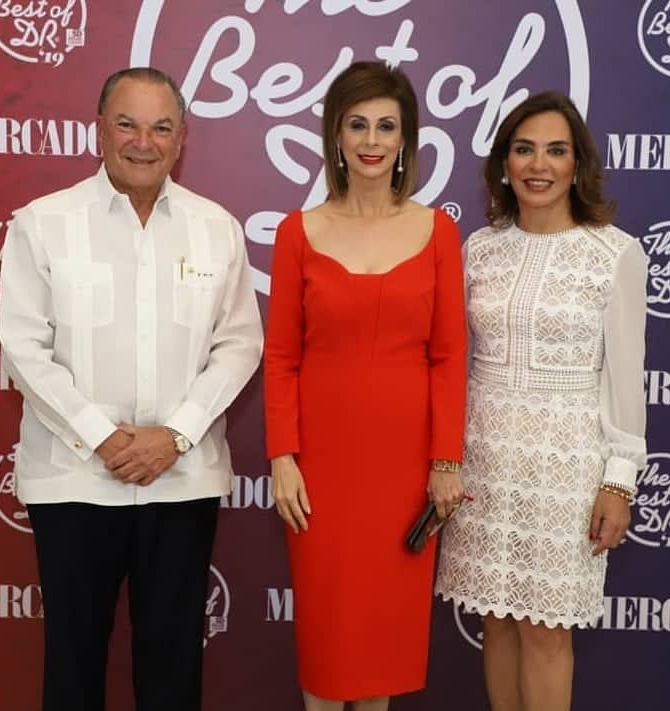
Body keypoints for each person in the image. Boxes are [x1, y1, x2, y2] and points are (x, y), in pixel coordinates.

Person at [0, 67, 263, 711]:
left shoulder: (216, 228)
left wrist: (175, 435)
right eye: (127, 124)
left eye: (161, 128)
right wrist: (104, 438)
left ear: (182, 138)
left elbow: (239, 343)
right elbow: (23, 349)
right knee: (74, 668)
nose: (144, 142)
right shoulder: (43, 223)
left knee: (173, 671)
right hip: (74, 480)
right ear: (99, 130)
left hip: (182, 478)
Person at [264, 61, 468, 711]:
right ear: (336, 134)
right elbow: (281, 357)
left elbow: (448, 357)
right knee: (328, 649)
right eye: (357, 125)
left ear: (406, 138)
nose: (371, 140)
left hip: (404, 469)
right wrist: (282, 457)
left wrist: (444, 461)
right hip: (320, 470)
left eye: (386, 125)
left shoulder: (438, 231)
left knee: (382, 650)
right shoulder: (297, 232)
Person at [435, 91, 648, 711]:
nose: (539, 165)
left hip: (567, 469)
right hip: (485, 461)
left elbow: (626, 378)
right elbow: (454, 363)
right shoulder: (479, 248)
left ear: (577, 165)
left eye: (556, 151)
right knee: (497, 622)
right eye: (524, 149)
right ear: (504, 163)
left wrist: (619, 480)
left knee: (546, 631)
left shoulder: (614, 252)